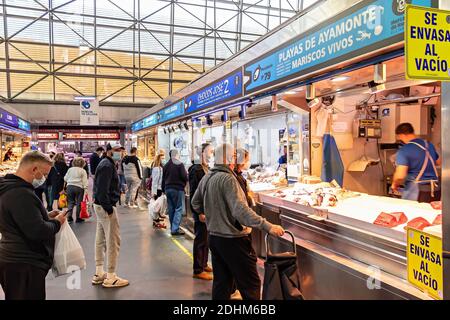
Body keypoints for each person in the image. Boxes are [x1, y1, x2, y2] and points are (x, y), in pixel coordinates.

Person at [191, 143, 285, 300]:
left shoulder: (208, 177)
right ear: (228, 159)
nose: (235, 159)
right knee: (252, 284)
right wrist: (267, 226)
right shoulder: (228, 179)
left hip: (215, 238)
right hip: (234, 241)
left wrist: (211, 216)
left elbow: (195, 202)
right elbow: (241, 212)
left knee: (222, 283)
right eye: (234, 156)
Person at [0, 151, 66, 300]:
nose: (44, 178)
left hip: (12, 259)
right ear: (34, 169)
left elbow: (21, 220)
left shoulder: (8, 188)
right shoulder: (21, 194)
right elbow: (38, 231)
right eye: (44, 173)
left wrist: (45, 216)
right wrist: (57, 222)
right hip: (24, 263)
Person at [92, 143, 129, 288]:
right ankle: (111, 276)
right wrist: (109, 209)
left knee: (100, 239)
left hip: (99, 206)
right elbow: (102, 190)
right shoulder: (107, 166)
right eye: (116, 150)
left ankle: (99, 272)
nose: (120, 152)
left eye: (120, 150)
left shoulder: (106, 163)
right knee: (113, 241)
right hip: (105, 206)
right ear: (108, 152)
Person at [392, 123, 441, 202]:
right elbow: (438, 162)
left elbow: (400, 176)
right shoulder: (429, 145)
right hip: (435, 190)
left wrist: (394, 184)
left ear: (401, 135)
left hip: (417, 191)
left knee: (412, 213)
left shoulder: (404, 150)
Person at [189, 143, 214, 281]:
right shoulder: (196, 169)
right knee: (200, 238)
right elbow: (194, 192)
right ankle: (197, 269)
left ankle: (204, 263)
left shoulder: (205, 168)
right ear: (202, 153)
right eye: (209, 151)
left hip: (206, 209)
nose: (211, 153)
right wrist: (198, 212)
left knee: (205, 238)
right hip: (200, 210)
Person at [162, 149, 188, 236]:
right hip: (177, 189)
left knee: (171, 208)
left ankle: (173, 227)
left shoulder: (166, 165)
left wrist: (163, 190)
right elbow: (184, 176)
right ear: (176, 155)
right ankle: (175, 228)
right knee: (178, 208)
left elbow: (163, 179)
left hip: (168, 189)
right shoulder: (179, 164)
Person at [64, 157, 89, 223]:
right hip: (79, 187)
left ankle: (69, 216)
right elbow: (85, 181)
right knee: (79, 203)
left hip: (69, 186)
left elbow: (65, 178)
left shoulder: (70, 169)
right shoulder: (83, 171)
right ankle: (78, 218)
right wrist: (86, 189)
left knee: (70, 202)